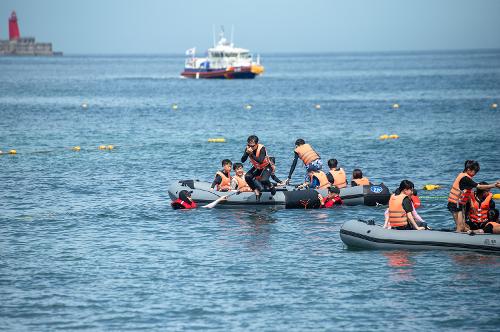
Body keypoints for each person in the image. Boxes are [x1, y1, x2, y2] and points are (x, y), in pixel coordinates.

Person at [447, 160, 500, 232]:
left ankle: (470, 236)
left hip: (459, 204)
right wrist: (494, 185)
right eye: (474, 171)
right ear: (468, 169)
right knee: (460, 227)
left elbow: (466, 193)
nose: (475, 174)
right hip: (454, 204)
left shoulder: (465, 177)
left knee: (463, 227)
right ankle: (455, 241)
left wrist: (471, 204)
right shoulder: (465, 178)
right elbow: (479, 187)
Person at [241, 135, 273, 201]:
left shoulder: (262, 148)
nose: (251, 147)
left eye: (252, 146)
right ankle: (257, 192)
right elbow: (242, 160)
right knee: (247, 176)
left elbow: (260, 161)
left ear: (257, 144)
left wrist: (251, 154)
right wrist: (246, 153)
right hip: (257, 167)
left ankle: (271, 186)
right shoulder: (248, 149)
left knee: (264, 180)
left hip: (266, 167)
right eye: (249, 145)